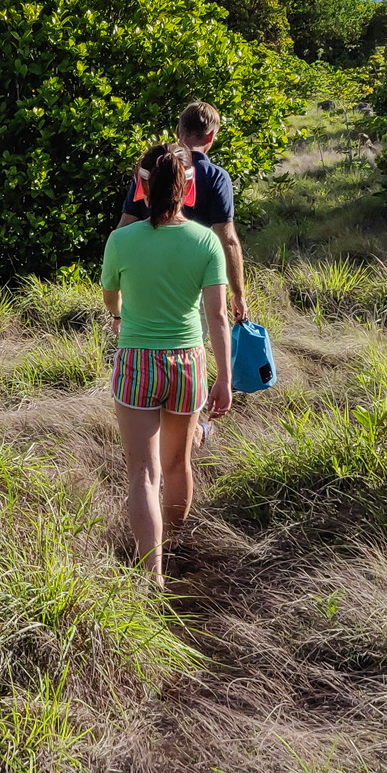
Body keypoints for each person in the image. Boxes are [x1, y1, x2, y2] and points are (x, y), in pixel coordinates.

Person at [101, 143, 234, 582]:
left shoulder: (120, 241)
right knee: (178, 466)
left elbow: (111, 302)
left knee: (142, 471)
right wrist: (225, 380)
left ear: (141, 187)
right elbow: (216, 315)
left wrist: (123, 315)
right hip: (188, 363)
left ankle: (151, 573)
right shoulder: (206, 242)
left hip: (138, 360)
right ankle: (171, 544)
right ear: (188, 188)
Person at [116, 101, 248, 326]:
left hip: (147, 277)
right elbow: (228, 240)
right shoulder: (216, 177)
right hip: (195, 281)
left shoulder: (149, 170)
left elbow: (124, 228)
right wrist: (238, 293)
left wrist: (120, 286)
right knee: (191, 349)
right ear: (210, 137)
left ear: (178, 132)